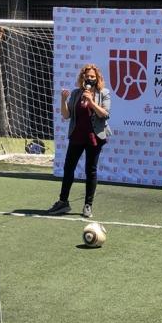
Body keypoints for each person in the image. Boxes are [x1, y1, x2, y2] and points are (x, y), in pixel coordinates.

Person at [47, 63, 111, 218]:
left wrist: (92, 102)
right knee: (69, 168)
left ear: (97, 78)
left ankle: (88, 205)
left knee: (91, 170)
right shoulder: (76, 93)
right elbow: (66, 115)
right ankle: (63, 202)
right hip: (77, 135)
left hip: (94, 136)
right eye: (87, 76)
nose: (89, 79)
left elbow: (105, 114)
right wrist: (63, 100)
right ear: (82, 77)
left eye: (92, 77)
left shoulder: (104, 93)